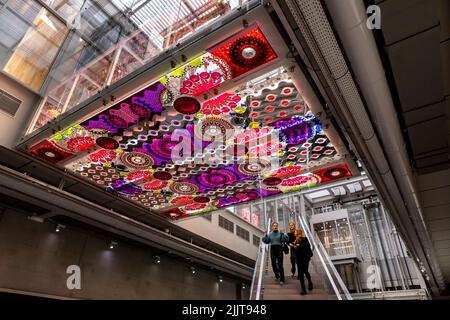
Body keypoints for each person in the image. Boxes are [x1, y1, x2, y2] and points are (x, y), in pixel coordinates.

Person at [293, 229, 313, 295]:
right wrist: (294, 247)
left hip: (305, 258)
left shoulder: (305, 239)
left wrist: (299, 246)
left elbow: (307, 247)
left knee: (305, 271)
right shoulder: (295, 241)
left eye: (295, 232)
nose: (294, 233)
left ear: (298, 233)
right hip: (299, 259)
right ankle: (303, 290)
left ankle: (310, 283)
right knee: (301, 274)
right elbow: (295, 251)